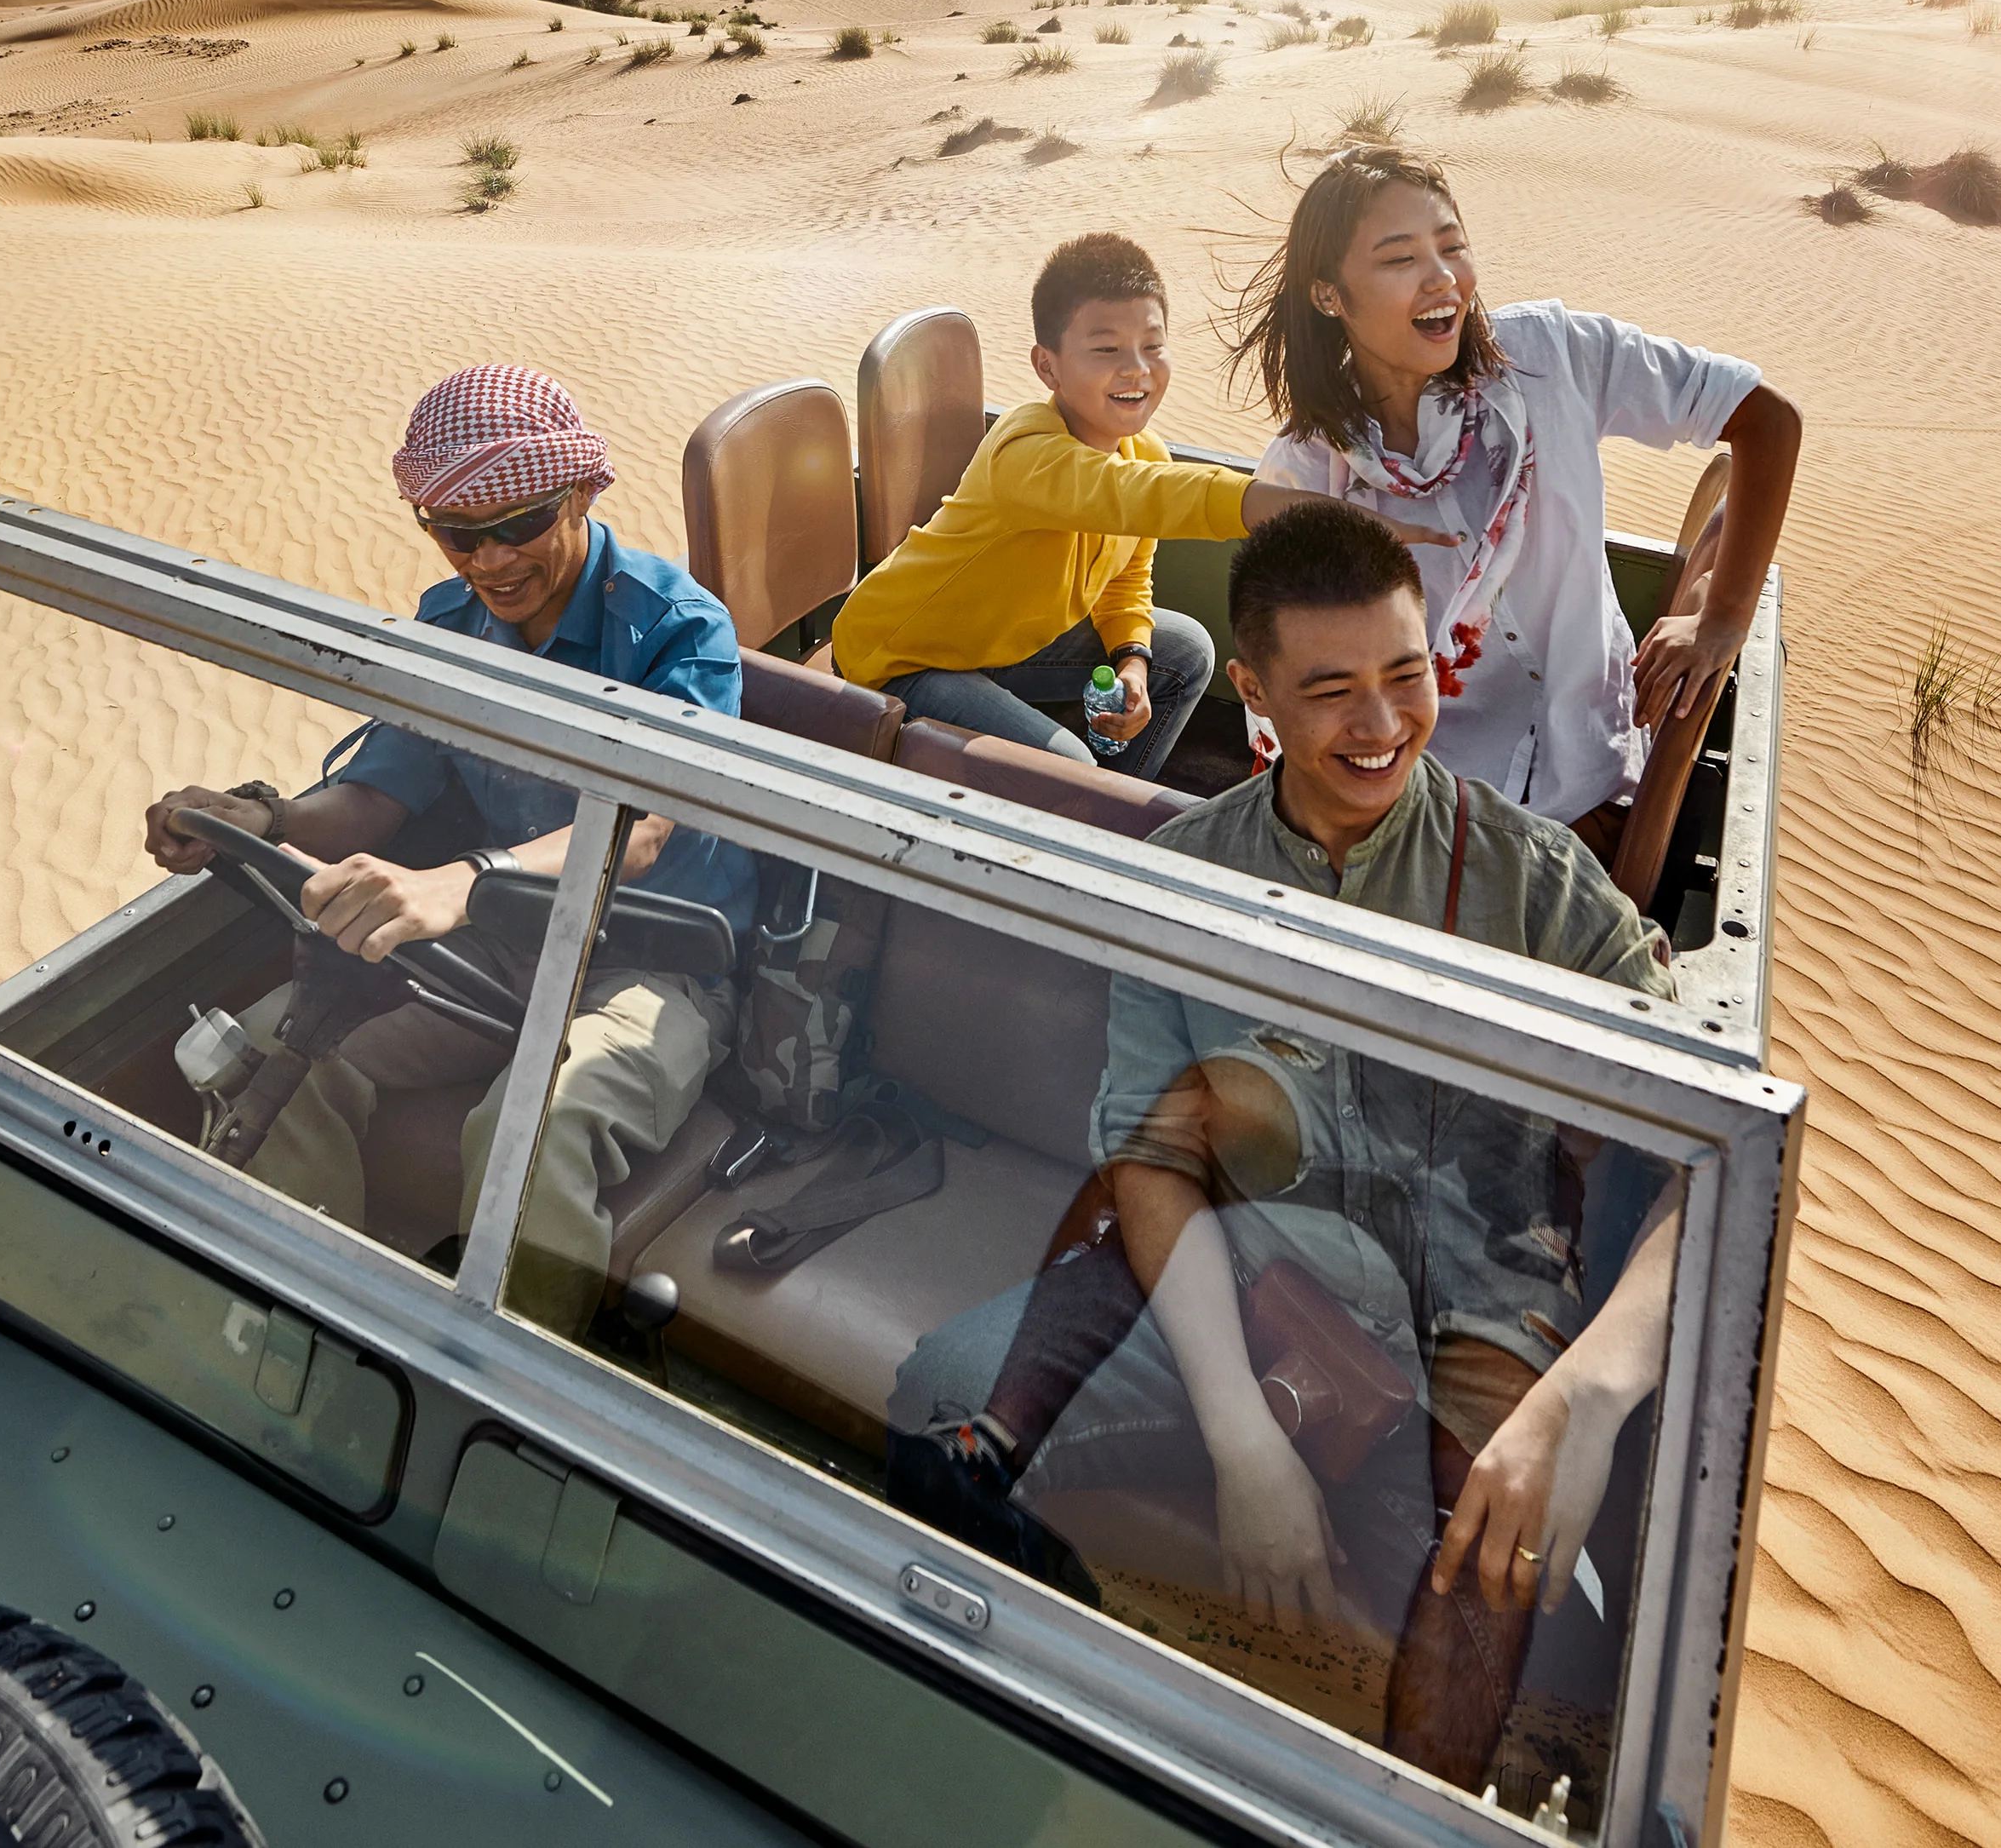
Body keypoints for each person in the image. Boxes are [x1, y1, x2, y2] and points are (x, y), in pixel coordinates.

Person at [886, 503, 1683, 1794]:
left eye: (1407, 676)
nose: (1380, 726)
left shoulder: (1535, 880)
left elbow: (1708, 1158)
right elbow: (1149, 1157)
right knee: (945, 1397)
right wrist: (1244, 1437)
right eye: (1331, 692)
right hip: (1252, 1284)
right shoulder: (1187, 870)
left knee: (1484, 1575)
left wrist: (1583, 1401)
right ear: (1252, 693)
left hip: (1479, 1313)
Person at [141, 364, 753, 1332]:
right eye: (458, 533)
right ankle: (293, 1331)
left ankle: (521, 1415)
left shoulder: (677, 630)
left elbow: (642, 832)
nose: (490, 560)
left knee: (534, 1128)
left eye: (517, 525)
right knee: (269, 1051)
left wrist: (462, 885)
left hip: (659, 962)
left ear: (584, 494)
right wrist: (264, 816)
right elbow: (381, 793)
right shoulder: (451, 625)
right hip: (507, 948)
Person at [1229, 143, 1801, 901]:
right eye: (1401, 258)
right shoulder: (1307, 475)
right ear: (1330, 295)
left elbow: (1767, 421)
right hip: (1431, 824)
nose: (1442, 278)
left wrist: (1724, 616)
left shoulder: (1551, 354)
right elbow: (1305, 697)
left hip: (1594, 786)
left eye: (1452, 245)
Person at [827, 231, 1331, 786]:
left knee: (1183, 652)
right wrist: (1266, 502)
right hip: (899, 659)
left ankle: (1114, 799)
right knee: (1069, 767)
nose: (1137, 368)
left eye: (1152, 345)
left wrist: (1133, 662)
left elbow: (1126, 581)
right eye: (1107, 349)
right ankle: (1085, 800)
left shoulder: (1144, 455)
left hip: (1004, 648)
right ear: (1049, 368)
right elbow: (1124, 494)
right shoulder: (1025, 452)